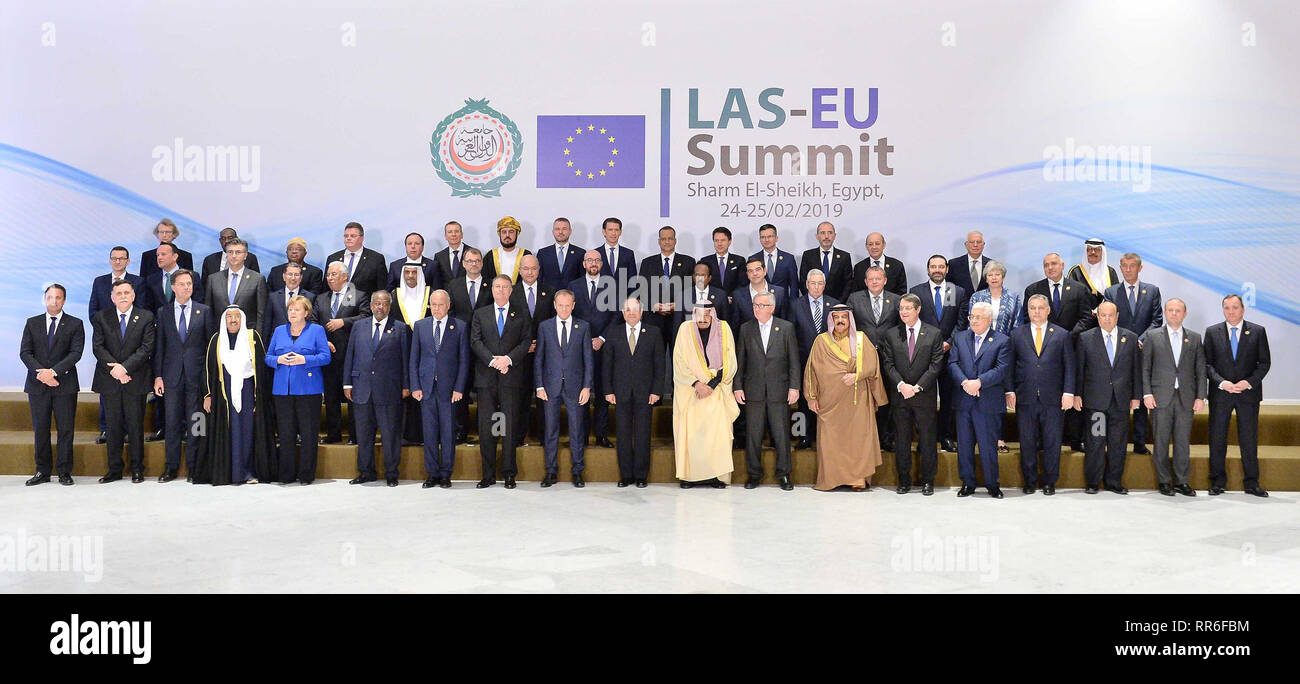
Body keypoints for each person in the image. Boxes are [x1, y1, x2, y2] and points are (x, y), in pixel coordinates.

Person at [804, 304, 888, 491]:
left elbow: (873, 366)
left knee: (858, 440)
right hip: (829, 402)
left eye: (844, 317)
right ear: (831, 320)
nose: (841, 320)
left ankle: (857, 479)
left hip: (857, 400)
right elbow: (811, 370)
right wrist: (811, 396)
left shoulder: (860, 339)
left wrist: (857, 375)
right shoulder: (821, 341)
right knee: (831, 441)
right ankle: (831, 479)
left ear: (850, 319)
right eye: (837, 317)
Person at [1006, 294, 1075, 496]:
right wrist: (1009, 391)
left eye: (1040, 308)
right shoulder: (1017, 334)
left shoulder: (1062, 334)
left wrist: (1069, 392)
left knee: (1052, 441)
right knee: (1027, 441)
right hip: (1025, 397)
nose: (1036, 312)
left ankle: (1049, 481)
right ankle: (1029, 481)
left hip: (1053, 398)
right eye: (1032, 308)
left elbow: (1069, 367)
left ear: (1048, 310)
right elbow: (1010, 366)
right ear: (1027, 311)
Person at [197, 306, 275, 485]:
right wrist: (207, 395)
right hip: (223, 395)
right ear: (224, 320)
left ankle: (248, 472)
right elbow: (208, 369)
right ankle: (231, 473)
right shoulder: (216, 340)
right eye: (229, 317)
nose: (233, 320)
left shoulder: (252, 337)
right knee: (231, 430)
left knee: (247, 430)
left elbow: (262, 369)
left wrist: (261, 395)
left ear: (243, 319)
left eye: (237, 317)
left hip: (248, 391)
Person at [1022, 252, 1090, 451]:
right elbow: (1029, 320)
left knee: (1072, 390)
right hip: (1042, 353)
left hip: (1072, 348)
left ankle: (1075, 440)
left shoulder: (1079, 289)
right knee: (1047, 395)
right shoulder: (1033, 289)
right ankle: (1044, 441)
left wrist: (1067, 335)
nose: (1050, 267)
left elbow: (1086, 317)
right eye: (1046, 265)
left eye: (1054, 264)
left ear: (1062, 265)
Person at [470, 276, 533, 488]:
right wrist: (492, 361)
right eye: (497, 286)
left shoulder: (522, 314)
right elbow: (475, 341)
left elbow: (526, 342)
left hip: (511, 378)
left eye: (505, 287)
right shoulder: (480, 313)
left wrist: (508, 360)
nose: (501, 290)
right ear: (492, 289)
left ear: (511, 290)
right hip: (486, 380)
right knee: (487, 428)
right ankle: (487, 475)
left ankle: (508, 473)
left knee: (508, 427)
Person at [1203, 294, 1270, 497]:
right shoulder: (1212, 332)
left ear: (1243, 309)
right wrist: (1222, 383)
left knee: (1249, 439)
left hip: (1247, 394)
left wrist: (1248, 382)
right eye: (1227, 308)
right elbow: (1207, 364)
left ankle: (1252, 482)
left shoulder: (1257, 331)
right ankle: (1217, 482)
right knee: (1217, 438)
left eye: (1234, 307)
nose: (1231, 311)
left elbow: (1264, 363)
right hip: (1221, 394)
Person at [879, 294, 945, 495]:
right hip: (900, 396)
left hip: (923, 396)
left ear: (918, 310)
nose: (904, 312)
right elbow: (888, 364)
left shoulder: (933, 334)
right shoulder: (891, 334)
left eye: (908, 308)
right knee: (902, 439)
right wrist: (901, 385)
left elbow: (935, 366)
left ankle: (927, 480)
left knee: (927, 438)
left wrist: (916, 387)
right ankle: (904, 479)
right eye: (901, 309)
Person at [343, 290, 410, 487]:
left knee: (390, 435)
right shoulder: (358, 326)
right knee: (364, 435)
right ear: (371, 306)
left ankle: (391, 473)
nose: (380, 307)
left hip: (389, 390)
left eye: (384, 304)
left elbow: (405, 360)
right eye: (377, 304)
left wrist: (406, 385)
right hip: (362, 389)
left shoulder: (400, 328)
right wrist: (347, 382)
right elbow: (351, 355)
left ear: (390, 306)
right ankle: (366, 472)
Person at [735, 291, 801, 490]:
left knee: (781, 434)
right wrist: (737, 386)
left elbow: (794, 361)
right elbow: (740, 361)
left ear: (772, 308)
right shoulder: (745, 329)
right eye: (755, 305)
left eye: (761, 305)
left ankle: (784, 474)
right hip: (753, 390)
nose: (757, 308)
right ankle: (754, 474)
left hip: (778, 390)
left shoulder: (786, 327)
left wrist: (794, 386)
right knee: (753, 435)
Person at [1074, 301, 1141, 495]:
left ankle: (1113, 482)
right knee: (1095, 442)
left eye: (1111, 315)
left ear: (1117, 316)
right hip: (1096, 403)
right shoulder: (1086, 338)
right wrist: (1077, 394)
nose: (1107, 319)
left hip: (1120, 402)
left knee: (1118, 443)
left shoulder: (1130, 338)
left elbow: (1135, 370)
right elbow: (1080, 369)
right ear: (1098, 316)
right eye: (1103, 315)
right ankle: (1093, 482)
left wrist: (1136, 396)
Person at [151, 269, 212, 482]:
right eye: (183, 284)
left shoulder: (204, 311)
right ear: (174, 287)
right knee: (172, 423)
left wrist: (208, 382)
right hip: (171, 378)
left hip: (197, 379)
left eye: (190, 284)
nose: (187, 287)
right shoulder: (163, 312)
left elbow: (209, 348)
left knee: (198, 422)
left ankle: (197, 466)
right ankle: (171, 467)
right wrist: (158, 376)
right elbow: (159, 347)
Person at [91, 280, 155, 483]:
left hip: (134, 379)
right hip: (110, 380)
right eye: (119, 293)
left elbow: (146, 348)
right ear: (112, 297)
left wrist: (125, 368)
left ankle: (137, 469)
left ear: (134, 295)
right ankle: (114, 470)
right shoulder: (102, 317)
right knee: (112, 427)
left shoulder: (146, 317)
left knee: (136, 427)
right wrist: (116, 370)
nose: (123, 296)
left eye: (127, 292)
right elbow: (98, 347)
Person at [20, 284, 84, 486]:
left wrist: (54, 372)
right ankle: (42, 471)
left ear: (64, 300)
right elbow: (25, 353)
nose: (54, 301)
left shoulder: (75, 323)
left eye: (58, 297)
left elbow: (76, 353)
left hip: (64, 384)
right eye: (50, 297)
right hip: (38, 385)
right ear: (44, 299)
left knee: (66, 430)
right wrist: (42, 374)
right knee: (41, 429)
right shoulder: (32, 323)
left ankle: (64, 472)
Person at [1142, 298, 1206, 497]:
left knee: (1182, 441)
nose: (1174, 314)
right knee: (1160, 441)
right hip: (1160, 397)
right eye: (1170, 310)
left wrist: (1200, 396)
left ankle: (1181, 481)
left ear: (1185, 314)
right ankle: (1163, 481)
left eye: (1178, 311)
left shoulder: (1194, 338)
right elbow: (1145, 368)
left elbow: (1200, 369)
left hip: (1186, 398)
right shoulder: (1152, 336)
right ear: (1165, 312)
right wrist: (1146, 393)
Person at [265, 295, 331, 485]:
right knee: (285, 434)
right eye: (290, 310)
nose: (292, 313)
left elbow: (325, 357)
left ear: (306, 313)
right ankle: (286, 474)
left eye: (297, 310)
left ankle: (306, 475)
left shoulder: (317, 330)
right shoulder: (279, 331)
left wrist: (305, 360)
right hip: (282, 391)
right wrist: (278, 360)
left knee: (308, 434)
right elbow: (267, 357)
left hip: (309, 391)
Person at [672, 302, 738, 488]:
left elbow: (731, 360)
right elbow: (678, 360)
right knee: (692, 436)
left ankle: (716, 476)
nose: (702, 320)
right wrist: (696, 383)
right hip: (691, 392)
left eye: (706, 316)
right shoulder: (685, 329)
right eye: (699, 316)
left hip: (716, 392)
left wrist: (712, 384)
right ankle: (690, 477)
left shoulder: (724, 329)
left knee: (716, 437)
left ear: (712, 315)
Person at [948, 302, 1011, 498]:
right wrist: (965, 382)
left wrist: (979, 382)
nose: (973, 320)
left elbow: (1001, 369)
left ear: (989, 320)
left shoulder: (1002, 340)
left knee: (988, 446)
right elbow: (952, 363)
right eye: (971, 317)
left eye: (978, 317)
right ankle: (967, 483)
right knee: (965, 445)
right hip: (964, 400)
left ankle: (992, 484)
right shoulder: (960, 337)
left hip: (988, 402)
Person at [1102, 252, 1162, 455]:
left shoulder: (1152, 291)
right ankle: (1110, 439)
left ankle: (1139, 441)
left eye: (1131, 266)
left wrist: (1140, 340)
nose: (1127, 269)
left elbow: (1157, 320)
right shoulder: (1110, 292)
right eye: (1124, 266)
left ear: (1140, 268)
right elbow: (1108, 320)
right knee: (1115, 395)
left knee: (1141, 394)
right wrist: (1126, 341)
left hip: (1144, 351)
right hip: (1118, 353)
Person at [909, 254, 969, 453]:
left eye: (941, 266)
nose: (937, 270)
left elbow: (961, 322)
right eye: (933, 266)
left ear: (946, 269)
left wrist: (949, 342)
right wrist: (931, 344)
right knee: (924, 400)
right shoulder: (916, 292)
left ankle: (945, 437)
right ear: (927, 270)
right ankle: (925, 439)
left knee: (948, 399)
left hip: (949, 355)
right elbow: (914, 321)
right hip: (924, 355)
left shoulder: (957, 292)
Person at [533, 289, 593, 487]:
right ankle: (550, 472)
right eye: (561, 305)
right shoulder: (545, 327)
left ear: (573, 305)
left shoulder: (583, 327)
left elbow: (588, 360)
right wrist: (539, 385)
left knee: (577, 430)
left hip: (576, 387)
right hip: (550, 387)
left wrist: (587, 386)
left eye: (568, 305)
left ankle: (577, 471)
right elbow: (539, 358)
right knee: (550, 430)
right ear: (555, 305)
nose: (564, 309)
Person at [410, 290, 469, 489]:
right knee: (429, 433)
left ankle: (446, 474)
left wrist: (459, 387)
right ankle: (432, 473)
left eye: (440, 304)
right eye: (433, 304)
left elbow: (463, 361)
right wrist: (415, 385)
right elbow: (414, 359)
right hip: (426, 389)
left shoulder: (459, 327)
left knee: (448, 433)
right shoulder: (421, 326)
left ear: (448, 305)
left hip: (449, 390)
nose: (436, 308)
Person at [603, 297, 663, 487]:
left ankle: (641, 476)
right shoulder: (613, 333)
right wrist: (608, 390)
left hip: (645, 393)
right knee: (623, 434)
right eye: (627, 309)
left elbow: (660, 365)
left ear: (641, 311)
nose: (631, 313)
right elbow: (607, 366)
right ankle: (626, 475)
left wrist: (656, 390)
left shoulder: (654, 333)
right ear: (622, 312)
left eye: (634, 309)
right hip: (620, 393)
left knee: (643, 434)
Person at [89, 246, 145, 444]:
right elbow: (93, 312)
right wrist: (108, 331)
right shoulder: (100, 282)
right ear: (110, 260)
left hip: (132, 349)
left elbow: (143, 311)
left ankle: (130, 431)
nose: (118, 261)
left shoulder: (138, 282)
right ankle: (106, 430)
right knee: (108, 396)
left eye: (122, 258)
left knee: (132, 402)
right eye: (114, 258)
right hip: (109, 351)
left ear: (128, 261)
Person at [315, 261, 370, 444]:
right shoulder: (321, 298)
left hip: (351, 355)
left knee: (353, 396)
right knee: (330, 398)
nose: (329, 278)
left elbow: (365, 317)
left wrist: (343, 322)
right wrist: (323, 341)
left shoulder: (356, 295)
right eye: (328, 275)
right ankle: (333, 434)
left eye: (334, 274)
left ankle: (355, 435)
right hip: (328, 355)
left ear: (345, 277)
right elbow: (314, 321)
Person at [968, 260, 1021, 453]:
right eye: (990, 275)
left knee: (999, 395)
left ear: (1003, 277)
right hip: (981, 351)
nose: (993, 277)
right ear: (986, 277)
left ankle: (998, 438)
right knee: (981, 393)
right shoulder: (977, 297)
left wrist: (1009, 347)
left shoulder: (1013, 297)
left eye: (997, 274)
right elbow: (971, 324)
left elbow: (1017, 325)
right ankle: (977, 436)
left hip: (1004, 351)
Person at [569, 250, 618, 448]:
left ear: (601, 263)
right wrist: (585, 339)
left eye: (597, 260)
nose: (593, 263)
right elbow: (570, 314)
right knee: (581, 392)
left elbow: (616, 315)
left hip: (604, 347)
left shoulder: (611, 285)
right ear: (584, 264)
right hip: (580, 347)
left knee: (602, 392)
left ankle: (601, 435)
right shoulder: (574, 286)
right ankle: (582, 435)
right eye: (589, 260)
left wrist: (602, 338)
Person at [789, 269, 838, 450]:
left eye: (819, 283)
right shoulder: (795, 305)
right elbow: (791, 336)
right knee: (803, 401)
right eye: (812, 283)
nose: (816, 287)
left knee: (826, 400)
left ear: (824, 285)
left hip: (828, 364)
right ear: (807, 284)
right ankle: (802, 436)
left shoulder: (834, 305)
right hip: (803, 361)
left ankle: (824, 436)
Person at [447, 248, 490, 443]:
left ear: (482, 263)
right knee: (460, 391)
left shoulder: (492, 285)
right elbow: (450, 316)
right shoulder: (453, 285)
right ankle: (460, 432)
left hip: (486, 347)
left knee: (486, 393)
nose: (474, 264)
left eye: (477, 261)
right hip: (460, 345)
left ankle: (486, 433)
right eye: (470, 261)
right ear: (463, 263)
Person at [512, 254, 553, 446]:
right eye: (526, 269)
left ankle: (544, 436)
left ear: (539, 270)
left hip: (544, 355)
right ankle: (519, 437)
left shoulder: (550, 292)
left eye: (533, 268)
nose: (530, 272)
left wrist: (541, 344)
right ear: (519, 271)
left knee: (544, 397)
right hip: (520, 355)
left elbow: (554, 323)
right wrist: (524, 345)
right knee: (520, 398)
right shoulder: (511, 292)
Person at [638, 226, 695, 351]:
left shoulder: (688, 262)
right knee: (653, 360)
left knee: (680, 359)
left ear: (675, 240)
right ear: (659, 241)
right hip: (653, 320)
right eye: (663, 239)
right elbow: (641, 290)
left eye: (670, 238)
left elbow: (692, 291)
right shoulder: (647, 262)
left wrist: (677, 304)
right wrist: (654, 305)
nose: (667, 242)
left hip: (679, 319)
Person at [393, 261, 431, 445]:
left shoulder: (430, 295)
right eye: (406, 272)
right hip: (401, 351)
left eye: (414, 273)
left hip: (428, 351)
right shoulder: (395, 295)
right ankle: (406, 434)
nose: (410, 276)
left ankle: (424, 434)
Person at [204, 238, 267, 333]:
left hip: (247, 334)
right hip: (220, 334)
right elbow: (208, 311)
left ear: (245, 255)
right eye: (230, 252)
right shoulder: (213, 279)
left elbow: (261, 313)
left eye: (238, 252)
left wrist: (257, 338)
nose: (233, 256)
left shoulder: (257, 279)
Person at [326, 221, 387, 296]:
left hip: (364, 305)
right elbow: (325, 288)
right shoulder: (333, 258)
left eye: (352, 236)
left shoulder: (376, 259)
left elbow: (382, 288)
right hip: (337, 305)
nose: (348, 238)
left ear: (362, 238)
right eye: (346, 236)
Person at [731, 256, 789, 326]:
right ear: (747, 275)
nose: (754, 273)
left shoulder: (779, 292)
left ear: (764, 271)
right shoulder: (738, 295)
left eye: (758, 270)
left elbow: (784, 322)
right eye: (750, 271)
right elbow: (735, 324)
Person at [750, 223, 801, 296]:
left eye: (769, 236)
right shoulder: (753, 259)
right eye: (763, 237)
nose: (766, 240)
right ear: (760, 239)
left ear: (776, 238)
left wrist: (793, 305)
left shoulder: (788, 258)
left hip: (783, 304)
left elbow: (794, 286)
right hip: (760, 304)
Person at [849, 231, 906, 296]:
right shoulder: (859, 267)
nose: (874, 247)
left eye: (877, 243)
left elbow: (902, 292)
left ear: (884, 245)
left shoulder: (897, 265)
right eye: (870, 244)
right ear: (866, 246)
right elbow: (856, 293)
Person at [480, 216, 533, 284]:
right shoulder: (490, 256)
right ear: (500, 234)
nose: (507, 235)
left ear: (517, 234)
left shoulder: (526, 254)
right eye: (504, 232)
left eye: (511, 232)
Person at [1068, 238, 1118, 309]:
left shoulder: (1110, 272)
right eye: (1090, 249)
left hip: (1105, 317)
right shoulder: (1076, 271)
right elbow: (1070, 297)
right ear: (1086, 252)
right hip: (1082, 316)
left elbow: (1115, 296)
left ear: (1102, 252)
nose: (1093, 252)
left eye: (1097, 249)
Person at [538, 216, 586, 290]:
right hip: (548, 298)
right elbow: (539, 278)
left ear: (570, 231)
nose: (560, 232)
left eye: (564, 229)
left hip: (573, 296)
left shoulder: (580, 253)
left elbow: (583, 279)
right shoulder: (543, 253)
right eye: (557, 229)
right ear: (553, 232)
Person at [265, 262, 308, 344]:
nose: (293, 278)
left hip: (301, 343)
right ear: (284, 277)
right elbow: (267, 324)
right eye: (290, 274)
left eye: (296, 275)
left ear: (301, 277)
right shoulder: (273, 297)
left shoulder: (309, 297)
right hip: (277, 343)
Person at [947, 230, 991, 296]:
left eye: (978, 242)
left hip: (985, 305)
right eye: (972, 242)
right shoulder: (953, 264)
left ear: (983, 244)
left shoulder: (991, 264)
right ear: (966, 245)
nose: (975, 245)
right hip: (960, 306)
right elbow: (948, 289)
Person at [705, 226, 747, 295]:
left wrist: (732, 297)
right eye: (716, 240)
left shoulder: (739, 261)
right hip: (712, 301)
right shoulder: (705, 261)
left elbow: (743, 284)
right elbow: (703, 284)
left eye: (723, 240)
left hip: (733, 301)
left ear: (729, 242)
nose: (719, 244)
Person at [432, 220, 475, 286]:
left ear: (462, 235)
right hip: (447, 295)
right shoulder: (439, 256)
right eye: (450, 232)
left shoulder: (473, 253)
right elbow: (437, 281)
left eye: (456, 231)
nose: (453, 234)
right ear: (445, 236)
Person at [597, 217, 637, 283]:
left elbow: (633, 280)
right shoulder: (595, 253)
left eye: (616, 230)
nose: (613, 233)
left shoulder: (628, 254)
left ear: (620, 232)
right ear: (604, 232)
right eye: (610, 230)